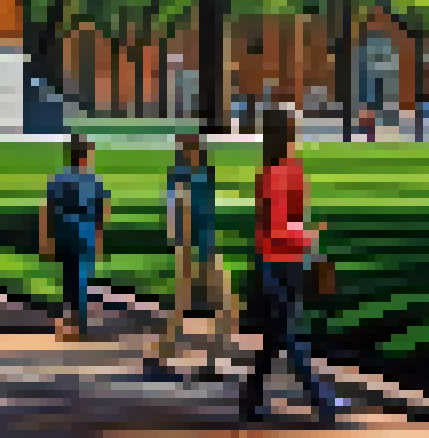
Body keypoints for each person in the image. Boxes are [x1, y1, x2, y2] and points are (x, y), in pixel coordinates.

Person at [242, 108, 349, 425]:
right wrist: (309, 234)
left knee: (275, 338)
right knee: (291, 336)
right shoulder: (280, 174)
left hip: (278, 262)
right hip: (280, 264)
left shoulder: (276, 171)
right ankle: (323, 402)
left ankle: (251, 403)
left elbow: (283, 223)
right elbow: (278, 228)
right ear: (287, 133)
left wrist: (303, 233)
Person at [146, 133, 241, 383]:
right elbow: (179, 213)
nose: (196, 150)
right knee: (197, 306)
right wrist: (184, 247)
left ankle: (205, 360)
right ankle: (169, 359)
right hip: (191, 250)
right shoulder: (181, 176)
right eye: (191, 147)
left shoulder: (204, 174)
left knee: (218, 304)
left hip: (205, 248)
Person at [40, 136, 112, 340]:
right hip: (85, 235)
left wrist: (45, 239)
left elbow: (47, 211)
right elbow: (102, 214)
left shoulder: (58, 179)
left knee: (69, 280)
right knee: (81, 281)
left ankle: (72, 324)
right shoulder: (94, 181)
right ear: (86, 156)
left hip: (65, 234)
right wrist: (100, 240)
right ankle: (79, 325)